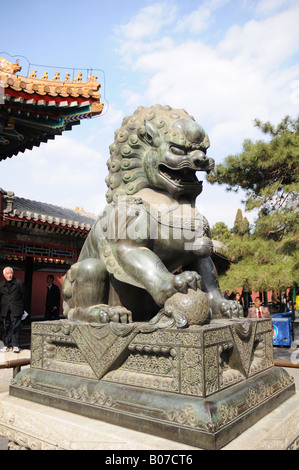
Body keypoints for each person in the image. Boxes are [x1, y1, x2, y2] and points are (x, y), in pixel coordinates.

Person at [0, 267, 26, 353]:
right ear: (4, 275)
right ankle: (7, 345)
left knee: (16, 327)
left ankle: (15, 345)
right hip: (5, 309)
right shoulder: (1, 285)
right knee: (6, 327)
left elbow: (24, 296)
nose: (9, 275)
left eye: (10, 273)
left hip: (16, 309)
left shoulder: (19, 283)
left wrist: (21, 308)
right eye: (7, 274)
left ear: (13, 273)